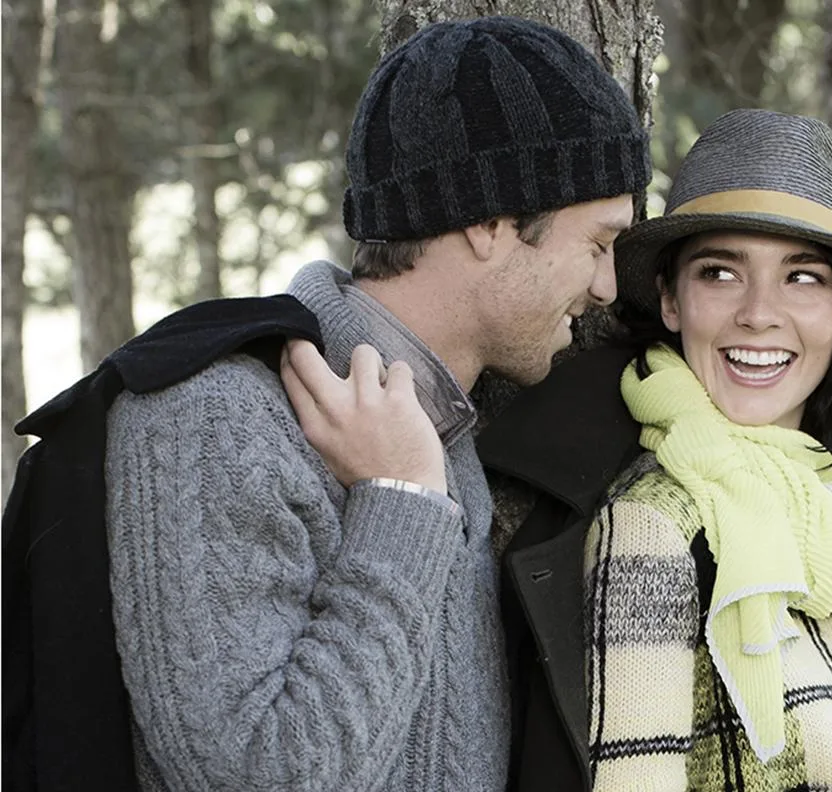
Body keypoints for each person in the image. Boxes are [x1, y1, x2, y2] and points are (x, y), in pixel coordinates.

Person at [102, 15, 650, 792]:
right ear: (490, 222)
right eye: (597, 245)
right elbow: (257, 776)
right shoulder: (214, 418)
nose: (604, 288)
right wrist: (401, 504)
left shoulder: (444, 431)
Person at [478, 108, 832, 791]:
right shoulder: (655, 525)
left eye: (803, 277)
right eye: (721, 274)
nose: (759, 312)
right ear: (671, 301)